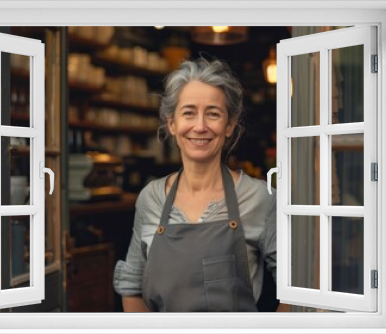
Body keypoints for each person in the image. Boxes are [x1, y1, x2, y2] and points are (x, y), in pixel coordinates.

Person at [113, 57, 278, 312]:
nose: (200, 126)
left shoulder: (259, 198)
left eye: (213, 114)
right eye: (188, 113)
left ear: (229, 126)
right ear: (172, 123)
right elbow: (131, 286)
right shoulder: (151, 198)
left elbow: (297, 289)